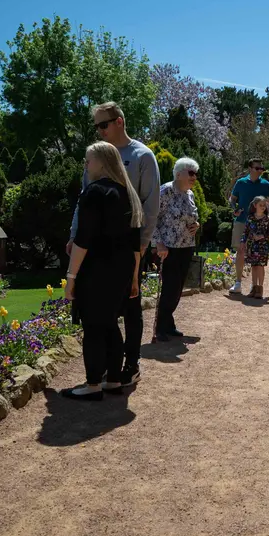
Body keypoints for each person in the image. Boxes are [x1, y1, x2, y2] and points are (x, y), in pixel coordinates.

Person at [68, 102, 160, 386]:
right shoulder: (96, 156)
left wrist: (141, 246)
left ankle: (130, 365)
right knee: (102, 313)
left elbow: (150, 205)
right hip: (96, 250)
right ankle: (108, 368)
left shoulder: (142, 156)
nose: (99, 130)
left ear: (119, 121)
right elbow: (83, 199)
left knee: (130, 307)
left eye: (103, 125)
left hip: (129, 246)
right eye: (96, 126)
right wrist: (74, 235)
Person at [61, 142, 142, 401]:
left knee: (94, 326)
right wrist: (134, 277)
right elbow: (134, 244)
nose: (86, 165)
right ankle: (114, 379)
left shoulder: (94, 192)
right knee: (110, 324)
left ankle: (94, 383)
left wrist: (71, 277)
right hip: (121, 268)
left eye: (89, 160)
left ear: (103, 163)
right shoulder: (127, 193)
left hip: (97, 268)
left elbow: (83, 239)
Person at [151, 157, 201, 342]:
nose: (194, 177)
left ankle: (168, 325)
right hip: (168, 248)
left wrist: (196, 225)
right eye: (191, 173)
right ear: (179, 174)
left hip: (186, 246)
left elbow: (192, 217)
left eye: (195, 174)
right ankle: (160, 328)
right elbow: (152, 218)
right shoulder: (165, 191)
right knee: (170, 287)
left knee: (178, 288)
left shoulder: (189, 194)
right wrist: (159, 243)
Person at [228, 158, 269, 295]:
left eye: (262, 168)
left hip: (260, 224)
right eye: (257, 168)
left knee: (258, 256)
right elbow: (232, 199)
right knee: (241, 250)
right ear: (250, 168)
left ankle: (256, 287)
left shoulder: (265, 184)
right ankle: (238, 283)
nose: (260, 170)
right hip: (242, 221)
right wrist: (234, 208)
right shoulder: (241, 183)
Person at [242, 196, 269, 299]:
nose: (263, 207)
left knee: (260, 267)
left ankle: (260, 288)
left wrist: (262, 236)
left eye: (264, 205)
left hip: (262, 247)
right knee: (254, 267)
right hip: (252, 246)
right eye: (261, 205)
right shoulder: (250, 218)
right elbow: (245, 232)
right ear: (255, 205)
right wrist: (243, 242)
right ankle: (254, 288)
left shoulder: (268, 220)